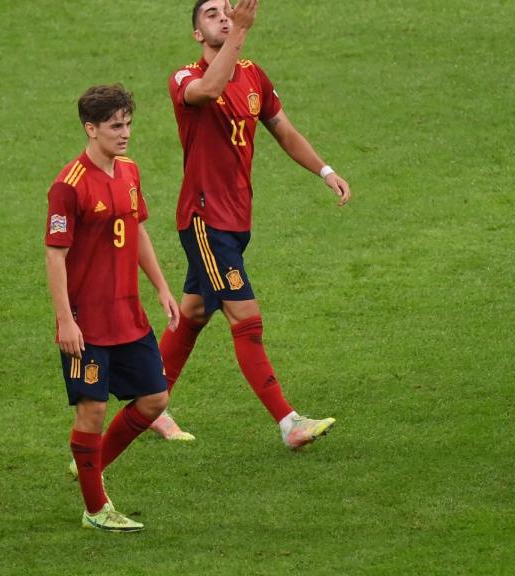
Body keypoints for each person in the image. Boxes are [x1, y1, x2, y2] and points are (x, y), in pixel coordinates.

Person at [152, 0, 352, 448]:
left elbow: (282, 129)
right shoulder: (184, 78)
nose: (223, 17)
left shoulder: (254, 75)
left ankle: (152, 405)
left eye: (228, 11)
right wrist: (240, 31)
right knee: (246, 317)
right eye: (212, 14)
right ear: (197, 35)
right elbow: (209, 89)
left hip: (237, 218)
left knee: (195, 313)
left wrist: (325, 171)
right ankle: (289, 423)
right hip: (204, 220)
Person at [45, 84, 181, 532]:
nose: (124, 133)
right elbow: (55, 255)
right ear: (90, 128)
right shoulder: (69, 186)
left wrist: (160, 286)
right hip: (88, 322)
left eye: (127, 124)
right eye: (114, 126)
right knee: (93, 411)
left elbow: (137, 230)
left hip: (129, 314)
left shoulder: (129, 171)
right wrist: (65, 319)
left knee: (155, 398)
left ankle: (90, 463)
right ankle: (95, 508)